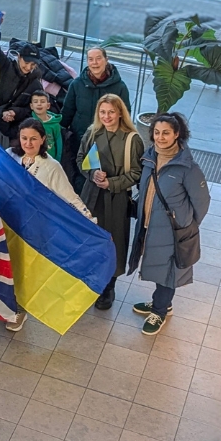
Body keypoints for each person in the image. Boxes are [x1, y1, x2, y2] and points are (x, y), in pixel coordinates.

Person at [8, 118, 94, 332]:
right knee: (6, 264)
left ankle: (20, 309)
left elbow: (68, 197)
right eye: (24, 138)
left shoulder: (51, 166)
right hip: (7, 222)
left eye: (33, 139)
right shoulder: (9, 156)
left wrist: (90, 222)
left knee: (24, 268)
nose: (28, 143)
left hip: (34, 229)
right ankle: (4, 303)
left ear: (43, 139)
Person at [128, 112, 210, 336]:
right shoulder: (149, 158)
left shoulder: (188, 168)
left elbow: (202, 202)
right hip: (149, 225)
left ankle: (160, 310)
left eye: (166, 133)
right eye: (156, 132)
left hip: (174, 231)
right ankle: (162, 303)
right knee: (157, 264)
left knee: (169, 270)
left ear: (177, 134)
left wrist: (187, 227)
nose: (160, 137)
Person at [77, 94, 144, 310]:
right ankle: (88, 282)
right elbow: (80, 159)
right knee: (88, 241)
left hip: (116, 199)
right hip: (91, 195)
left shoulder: (132, 139)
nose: (106, 116)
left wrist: (112, 183)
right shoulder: (92, 132)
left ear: (120, 113)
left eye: (111, 112)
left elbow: (136, 173)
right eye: (102, 112)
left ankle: (108, 286)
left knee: (113, 243)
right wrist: (92, 174)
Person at [62, 46, 131, 171]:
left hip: (107, 144)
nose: (95, 63)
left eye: (98, 58)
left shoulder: (120, 87)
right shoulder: (77, 84)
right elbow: (67, 112)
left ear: (106, 60)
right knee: (78, 175)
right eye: (91, 59)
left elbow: (126, 116)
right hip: (79, 140)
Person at [0, 42, 42, 146]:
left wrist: (14, 112)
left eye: (33, 65)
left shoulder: (36, 84)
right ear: (19, 57)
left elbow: (32, 109)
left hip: (13, 130)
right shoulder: (5, 66)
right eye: (26, 62)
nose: (29, 67)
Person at [30, 90, 63, 160]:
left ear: (48, 105)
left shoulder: (55, 124)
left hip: (51, 161)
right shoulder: (30, 123)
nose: (39, 104)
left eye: (42, 101)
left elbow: (58, 144)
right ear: (31, 106)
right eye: (36, 102)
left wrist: (57, 160)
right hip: (33, 160)